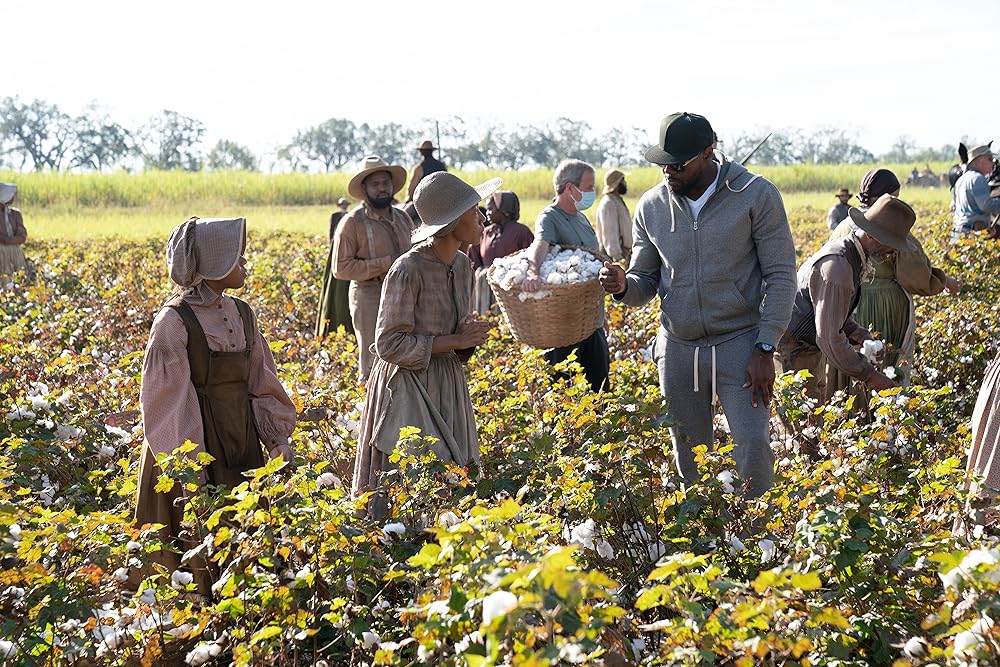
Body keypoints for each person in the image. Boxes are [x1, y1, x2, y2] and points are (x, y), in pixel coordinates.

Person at [599, 112, 796, 498]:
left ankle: (758, 541)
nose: (669, 171)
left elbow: (781, 276)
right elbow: (645, 281)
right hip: (678, 346)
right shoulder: (651, 207)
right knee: (688, 455)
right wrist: (624, 285)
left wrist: (765, 346)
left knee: (753, 447)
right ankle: (703, 540)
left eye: (679, 163)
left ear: (709, 152)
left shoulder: (755, 196)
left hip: (741, 343)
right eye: (663, 163)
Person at [134, 216, 297, 595]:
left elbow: (262, 378)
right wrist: (189, 470)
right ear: (212, 262)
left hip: (239, 435)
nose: (244, 261)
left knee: (247, 533)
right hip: (190, 440)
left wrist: (276, 438)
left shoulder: (242, 313)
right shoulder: (173, 323)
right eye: (236, 255)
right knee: (197, 537)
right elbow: (167, 402)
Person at [352, 172, 499, 517]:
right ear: (452, 222)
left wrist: (466, 338)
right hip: (409, 388)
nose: (480, 219)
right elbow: (388, 343)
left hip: (447, 384)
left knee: (451, 488)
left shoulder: (463, 265)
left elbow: (456, 339)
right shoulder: (408, 269)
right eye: (473, 211)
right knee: (410, 486)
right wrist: (454, 340)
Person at [778, 194, 915, 404]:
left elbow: (830, 310)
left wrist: (858, 333)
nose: (893, 252)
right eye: (891, 245)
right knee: (803, 425)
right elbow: (829, 337)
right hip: (793, 349)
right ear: (872, 235)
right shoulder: (839, 267)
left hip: (805, 346)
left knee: (814, 413)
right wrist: (870, 376)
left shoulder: (852, 256)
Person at [829, 169, 961, 386]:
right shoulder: (889, 229)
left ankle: (858, 414)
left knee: (854, 368)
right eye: (894, 198)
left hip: (848, 305)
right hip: (887, 306)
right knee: (886, 365)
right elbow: (917, 274)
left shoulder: (843, 225)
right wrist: (942, 281)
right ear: (883, 198)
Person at [522, 159, 610, 392]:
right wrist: (533, 271)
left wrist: (603, 314)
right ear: (570, 188)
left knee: (599, 387)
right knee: (564, 389)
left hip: (590, 320)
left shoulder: (582, 219)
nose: (592, 192)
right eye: (589, 187)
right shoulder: (550, 217)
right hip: (563, 324)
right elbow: (540, 245)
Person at [333, 156, 412, 380]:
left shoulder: (403, 218)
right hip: (369, 295)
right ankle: (371, 406)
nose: (381, 189)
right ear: (365, 189)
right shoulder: (352, 222)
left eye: (385, 183)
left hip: (404, 295)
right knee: (372, 356)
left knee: (405, 354)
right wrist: (387, 263)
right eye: (375, 184)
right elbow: (341, 268)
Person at [468, 191, 533, 313]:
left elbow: (530, 260)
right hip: (485, 292)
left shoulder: (521, 233)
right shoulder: (485, 233)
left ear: (503, 210)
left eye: (490, 209)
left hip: (510, 291)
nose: (486, 213)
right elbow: (473, 259)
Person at [316, 197, 355, 337]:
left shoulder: (352, 217)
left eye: (345, 205)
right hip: (337, 250)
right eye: (342, 205)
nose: (344, 206)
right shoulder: (336, 216)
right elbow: (332, 233)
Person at [952, 141, 1000, 240]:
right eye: (990, 159)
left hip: (958, 233)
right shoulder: (978, 178)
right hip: (970, 234)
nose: (993, 163)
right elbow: (986, 206)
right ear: (979, 161)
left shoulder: (961, 180)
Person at [596, 169, 633, 262]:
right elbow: (610, 233)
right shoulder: (608, 204)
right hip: (614, 257)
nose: (625, 183)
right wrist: (617, 257)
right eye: (623, 181)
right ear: (617, 184)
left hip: (624, 253)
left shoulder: (616, 200)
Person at [405, 139, 448, 204]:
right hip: (442, 200)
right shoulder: (442, 166)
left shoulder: (419, 168)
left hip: (424, 203)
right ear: (432, 151)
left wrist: (408, 200)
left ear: (421, 152)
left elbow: (411, 190)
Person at [0, 183, 28, 278]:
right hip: (1, 253)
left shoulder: (15, 214)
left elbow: (22, 236)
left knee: (18, 279)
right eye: (11, 195)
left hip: (15, 253)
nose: (13, 198)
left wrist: (6, 240)